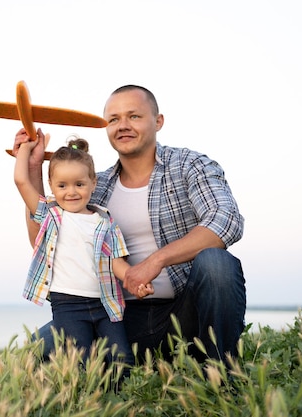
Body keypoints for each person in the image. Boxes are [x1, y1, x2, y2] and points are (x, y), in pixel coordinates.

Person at [13, 85, 246, 365]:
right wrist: (33, 167)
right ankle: (133, 362)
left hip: (185, 310)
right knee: (35, 354)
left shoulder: (189, 165)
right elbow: (46, 239)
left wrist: (156, 261)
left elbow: (225, 220)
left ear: (158, 121)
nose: (122, 126)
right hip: (117, 314)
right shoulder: (94, 188)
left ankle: (220, 368)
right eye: (113, 119)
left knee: (216, 263)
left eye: (134, 116)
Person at [14, 135, 154, 367]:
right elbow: (21, 181)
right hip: (68, 304)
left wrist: (135, 282)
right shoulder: (52, 215)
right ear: (51, 186)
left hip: (104, 303)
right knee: (81, 359)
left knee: (122, 359)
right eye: (62, 185)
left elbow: (115, 262)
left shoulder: (105, 222)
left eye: (79, 184)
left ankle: (124, 400)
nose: (71, 192)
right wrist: (25, 152)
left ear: (93, 183)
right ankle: (86, 400)